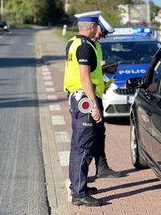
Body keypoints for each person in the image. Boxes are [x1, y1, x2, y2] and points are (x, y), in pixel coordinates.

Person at [63, 11, 104, 207]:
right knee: (84, 147)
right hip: (84, 100)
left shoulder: (72, 43)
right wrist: (95, 104)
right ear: (91, 27)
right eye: (97, 26)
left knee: (78, 146)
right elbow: (85, 78)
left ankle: (79, 186)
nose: (98, 29)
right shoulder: (86, 48)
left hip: (76, 97)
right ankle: (79, 193)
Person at [91, 16, 122, 179]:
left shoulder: (96, 45)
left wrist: (106, 71)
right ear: (94, 27)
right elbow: (83, 74)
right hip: (86, 97)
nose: (103, 37)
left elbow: (94, 71)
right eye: (102, 33)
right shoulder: (85, 46)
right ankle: (80, 181)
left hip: (96, 94)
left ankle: (101, 167)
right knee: (88, 137)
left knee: (99, 132)